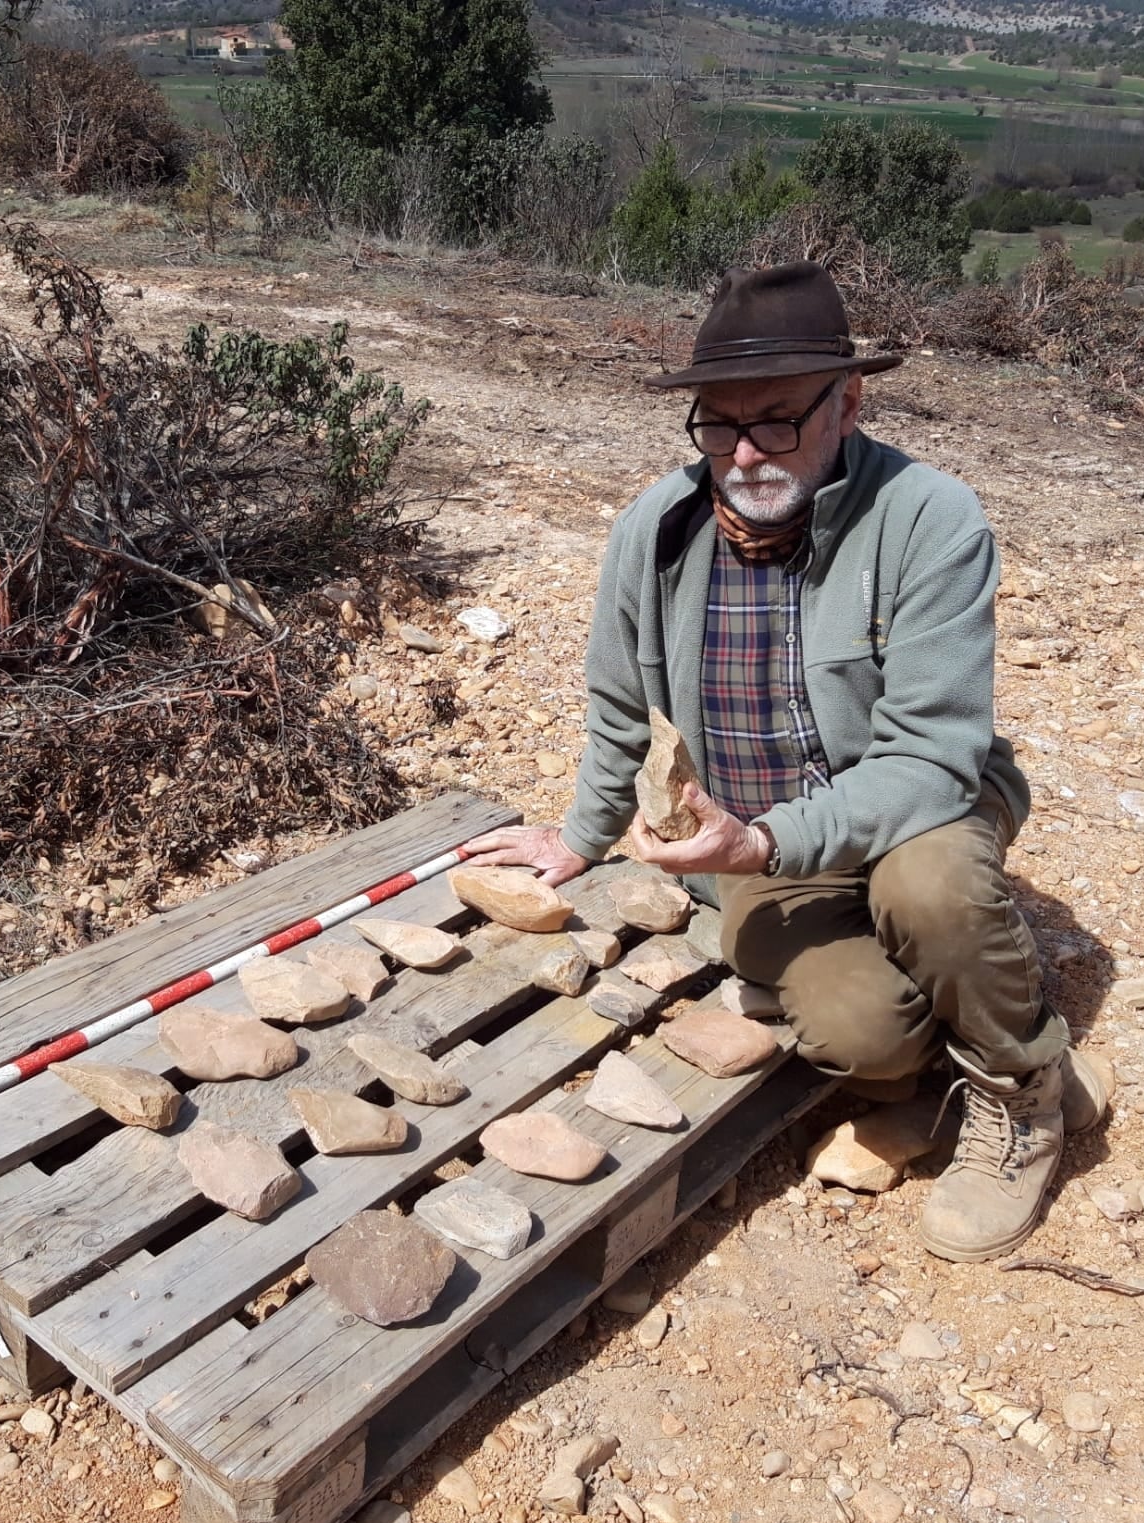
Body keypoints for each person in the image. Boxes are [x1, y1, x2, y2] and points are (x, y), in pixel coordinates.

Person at [465, 260, 1108, 1264]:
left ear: (847, 402)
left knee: (933, 881)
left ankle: (1022, 1089)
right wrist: (580, 840)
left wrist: (764, 839)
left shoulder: (929, 519)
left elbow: (933, 761)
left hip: (908, 808)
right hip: (753, 839)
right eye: (718, 424)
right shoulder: (659, 530)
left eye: (777, 420)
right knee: (867, 1044)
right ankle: (967, 1005)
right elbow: (616, 702)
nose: (744, 452)